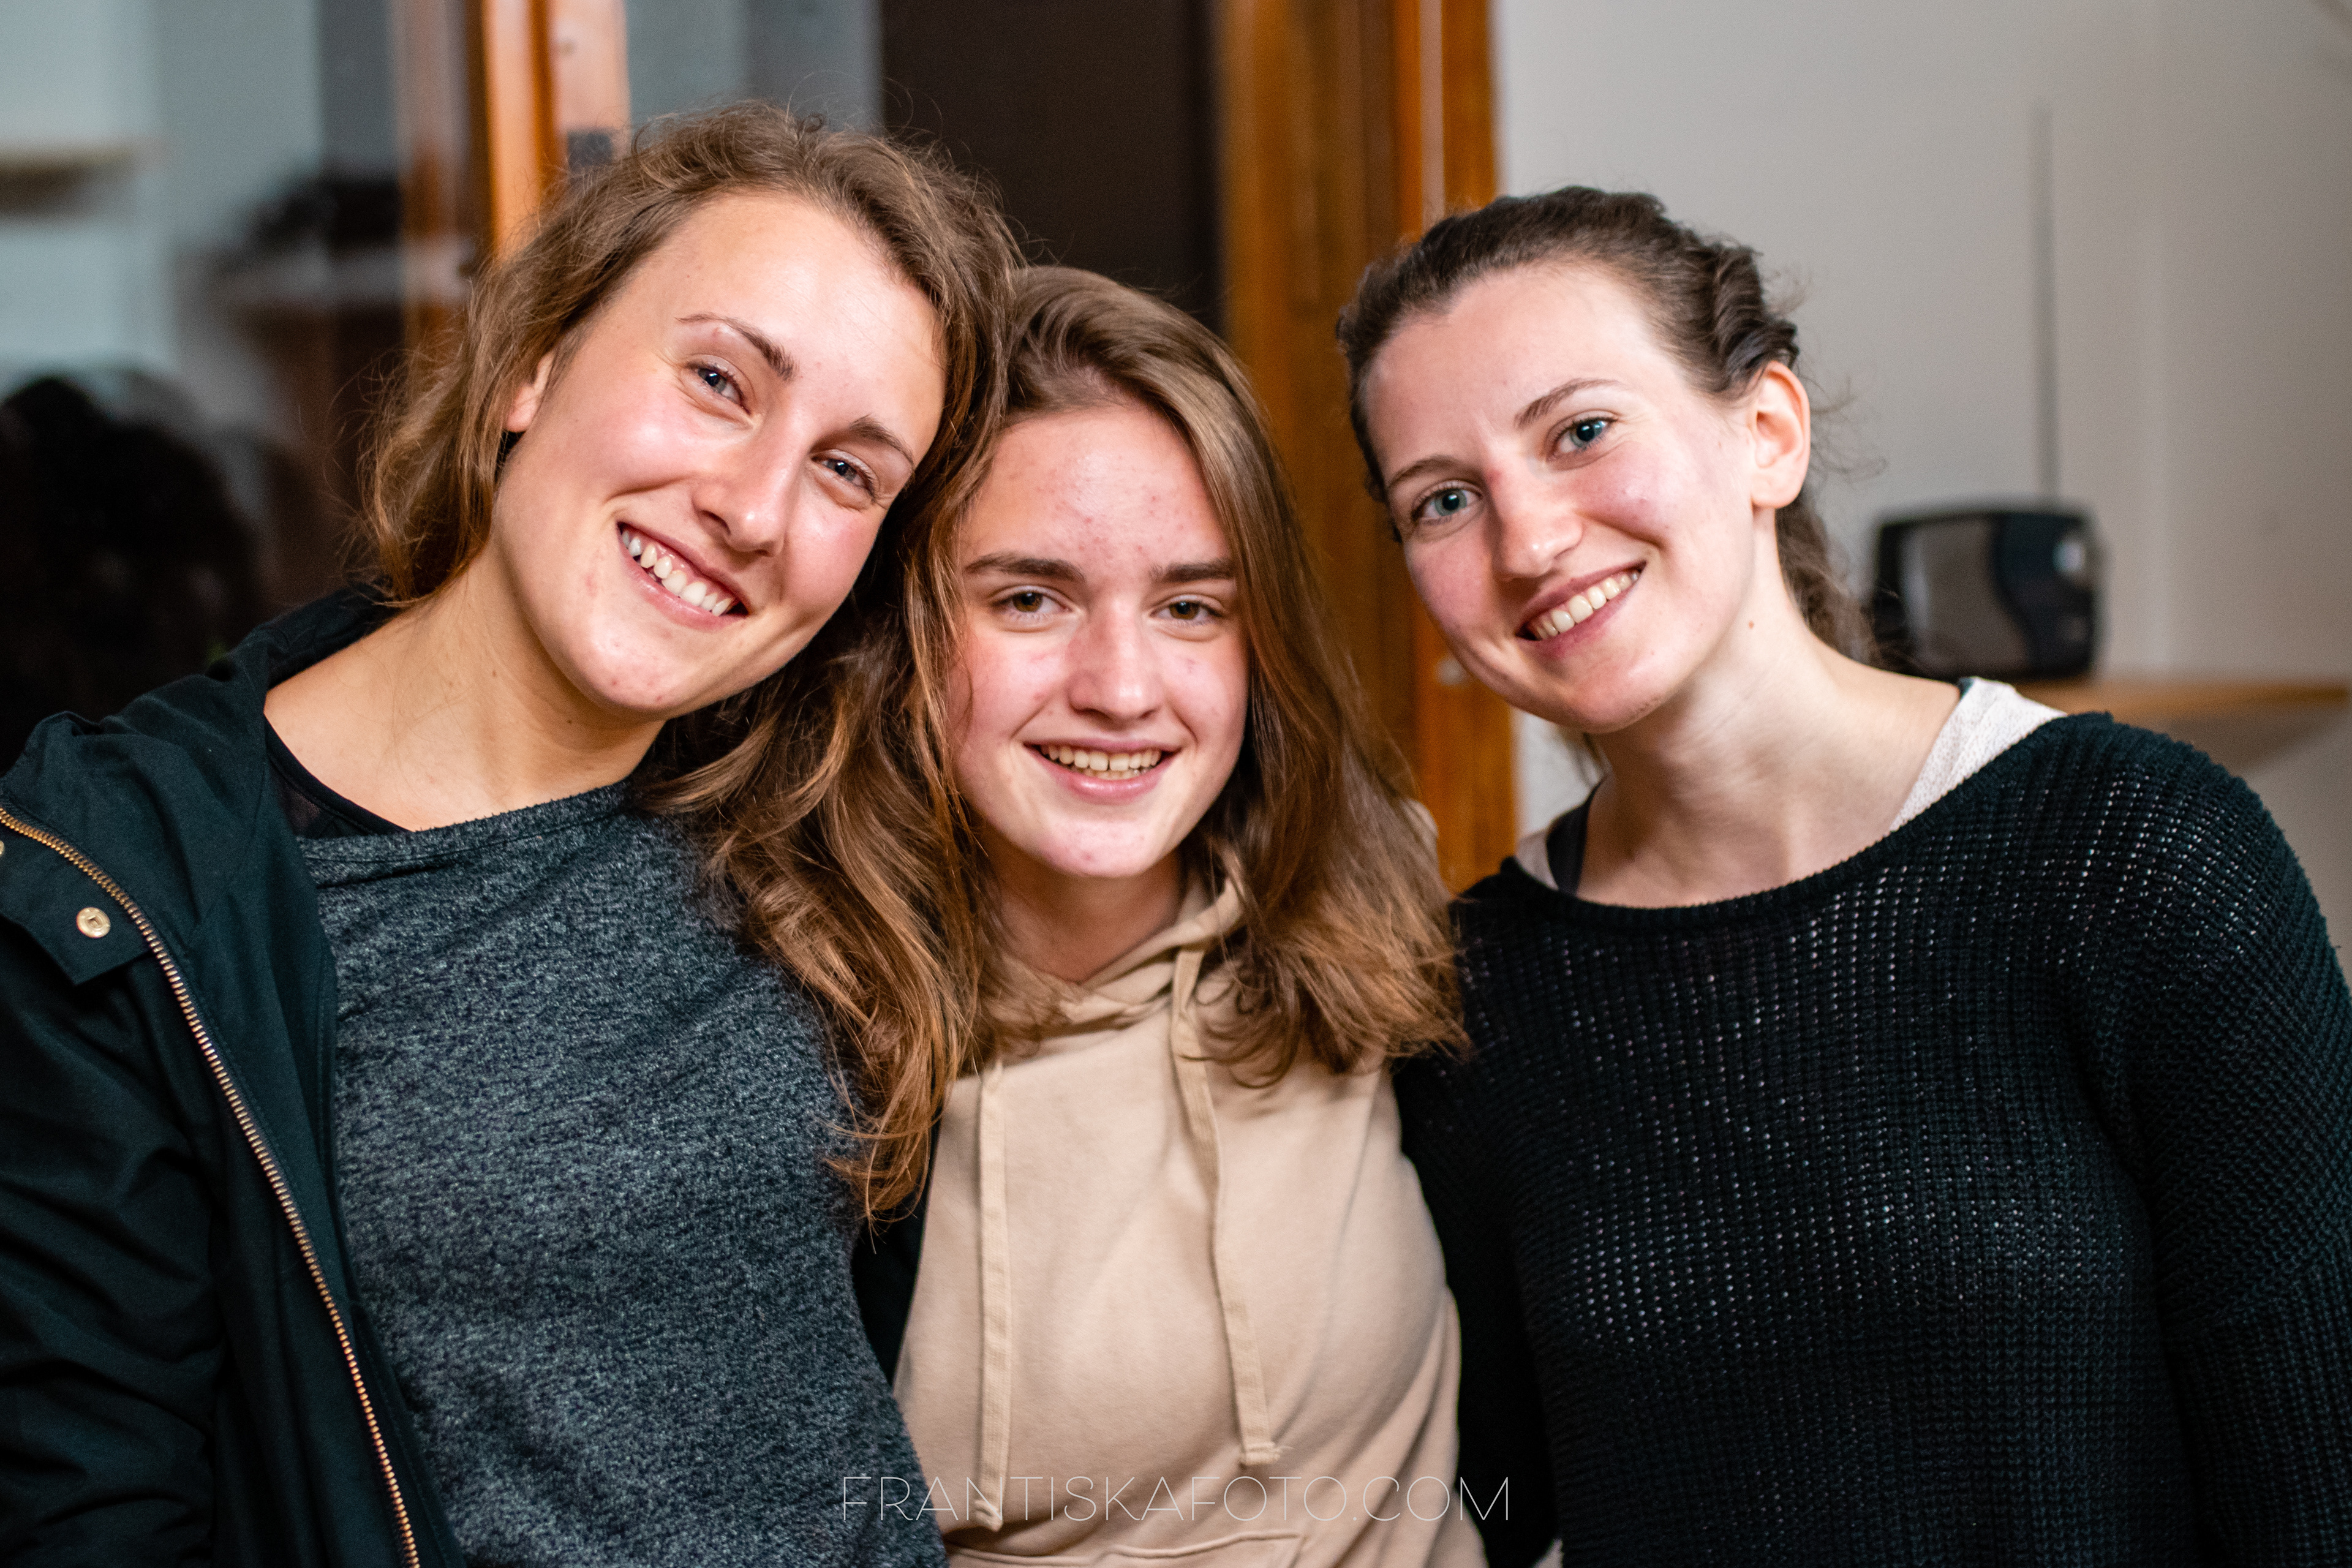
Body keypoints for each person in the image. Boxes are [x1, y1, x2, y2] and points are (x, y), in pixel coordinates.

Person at [0, 105, 1017, 1567]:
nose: (753, 507)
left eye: (850, 470)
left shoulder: (814, 814)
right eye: (718, 381)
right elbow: (91, 1509)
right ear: (536, 360)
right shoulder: (138, 891)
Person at [1338, 187, 2352, 1565]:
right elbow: (1476, 1513)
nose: (1528, 542)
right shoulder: (1471, 994)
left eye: (1582, 432)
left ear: (1767, 431)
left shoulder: (2133, 851)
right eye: (1445, 500)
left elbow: (2317, 1492)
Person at [775, 267, 1483, 1565]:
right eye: (1030, 599)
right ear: (899, 634)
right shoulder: (782, 1036)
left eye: (1189, 607)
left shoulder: (1373, 914)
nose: (1120, 687)